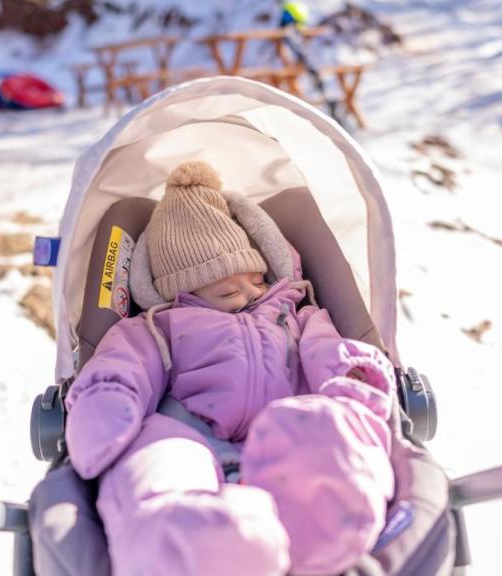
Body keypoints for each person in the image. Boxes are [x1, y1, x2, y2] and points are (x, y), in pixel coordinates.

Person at [63, 160, 397, 576]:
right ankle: (194, 547)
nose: (250, 294)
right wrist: (106, 401)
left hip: (285, 433)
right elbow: (121, 364)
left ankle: (319, 535)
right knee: (154, 459)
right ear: (180, 291)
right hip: (189, 435)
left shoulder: (294, 313)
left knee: (320, 427)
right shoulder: (159, 326)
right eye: (226, 289)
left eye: (257, 280)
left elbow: (331, 351)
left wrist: (354, 383)